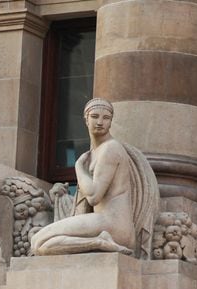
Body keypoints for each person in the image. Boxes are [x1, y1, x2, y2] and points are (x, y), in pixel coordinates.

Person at [30, 98, 158, 258]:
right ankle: (98, 242)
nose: (100, 122)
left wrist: (78, 167)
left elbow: (94, 196)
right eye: (95, 116)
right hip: (104, 225)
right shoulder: (97, 151)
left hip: (114, 226)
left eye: (106, 118)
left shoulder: (110, 149)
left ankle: (102, 241)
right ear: (86, 119)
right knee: (40, 245)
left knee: (39, 241)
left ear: (111, 122)